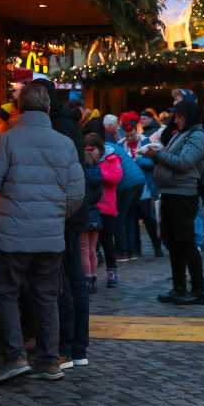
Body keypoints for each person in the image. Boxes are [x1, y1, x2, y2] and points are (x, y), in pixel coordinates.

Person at [0, 83, 84, 383]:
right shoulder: (64, 143)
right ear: (48, 109)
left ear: (19, 110)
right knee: (47, 298)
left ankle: (15, 358)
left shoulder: (6, 141)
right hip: (50, 237)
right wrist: (53, 216)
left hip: (11, 236)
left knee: (3, 292)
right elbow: (76, 193)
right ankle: (50, 362)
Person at [31, 78, 89, 373]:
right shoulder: (69, 122)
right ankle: (77, 347)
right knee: (74, 279)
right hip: (73, 210)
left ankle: (66, 347)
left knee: (64, 280)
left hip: (63, 211)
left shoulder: (58, 126)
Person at [146, 98, 204, 305]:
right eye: (176, 116)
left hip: (184, 195)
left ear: (190, 116)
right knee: (172, 242)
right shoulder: (181, 134)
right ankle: (179, 287)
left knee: (187, 243)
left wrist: (158, 155)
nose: (177, 119)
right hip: (170, 194)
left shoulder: (198, 136)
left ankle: (199, 291)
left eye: (180, 116)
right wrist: (157, 155)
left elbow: (184, 163)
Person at [86, 133, 121, 287]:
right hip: (92, 207)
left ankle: (111, 272)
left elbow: (115, 178)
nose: (90, 151)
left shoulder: (112, 159)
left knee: (107, 241)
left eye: (92, 148)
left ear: (99, 148)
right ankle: (91, 274)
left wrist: (95, 173)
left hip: (107, 207)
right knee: (92, 244)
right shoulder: (85, 161)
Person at [107, 131, 147, 262]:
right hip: (138, 179)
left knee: (120, 217)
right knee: (129, 217)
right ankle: (132, 251)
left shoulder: (104, 150)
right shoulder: (114, 146)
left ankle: (122, 251)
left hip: (126, 184)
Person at [80, 150, 104, 294]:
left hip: (84, 214)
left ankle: (87, 278)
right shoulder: (99, 176)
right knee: (92, 250)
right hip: (95, 213)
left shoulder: (83, 177)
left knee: (83, 250)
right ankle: (93, 276)